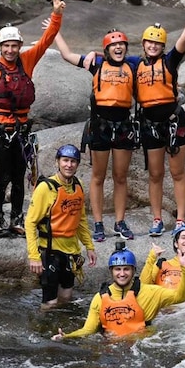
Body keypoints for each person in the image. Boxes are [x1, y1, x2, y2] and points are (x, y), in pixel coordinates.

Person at [0, 0, 66, 237]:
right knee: (2, 177)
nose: (10, 50)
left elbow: (46, 40)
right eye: (6, 46)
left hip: (22, 131)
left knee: (20, 177)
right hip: (1, 131)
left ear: (19, 46)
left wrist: (56, 14)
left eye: (14, 45)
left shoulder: (27, 61)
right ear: (0, 47)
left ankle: (17, 218)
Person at [52, 18, 138, 242]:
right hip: (100, 125)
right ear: (107, 49)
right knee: (98, 176)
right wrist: (55, 28)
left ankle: (120, 221)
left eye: (121, 45)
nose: (118, 48)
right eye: (113, 45)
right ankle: (98, 223)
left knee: (120, 176)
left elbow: (156, 63)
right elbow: (67, 55)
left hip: (123, 126)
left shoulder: (133, 65)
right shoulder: (96, 63)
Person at [136, 0, 185, 236]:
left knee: (177, 172)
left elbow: (183, 40)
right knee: (155, 174)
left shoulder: (169, 61)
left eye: (157, 43)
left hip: (173, 122)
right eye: (150, 43)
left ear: (162, 46)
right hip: (150, 124)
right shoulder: (135, 65)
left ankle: (180, 219)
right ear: (144, 44)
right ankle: (157, 219)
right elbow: (112, 62)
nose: (153, 46)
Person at [51, 245, 185, 339]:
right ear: (111, 271)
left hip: (143, 345)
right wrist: (67, 336)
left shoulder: (151, 292)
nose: (122, 273)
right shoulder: (100, 298)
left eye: (126, 269)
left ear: (133, 271)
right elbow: (89, 329)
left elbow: (180, 297)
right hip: (112, 348)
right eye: (118, 269)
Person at [24, 144, 96, 310]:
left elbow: (81, 219)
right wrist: (34, 256)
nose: (68, 165)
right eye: (65, 160)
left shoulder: (78, 186)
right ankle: (42, 333)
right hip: (50, 252)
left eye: (73, 161)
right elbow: (30, 222)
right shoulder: (46, 188)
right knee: (50, 302)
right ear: (57, 162)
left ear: (77, 164)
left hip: (71, 252)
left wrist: (89, 246)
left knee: (66, 298)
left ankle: (62, 333)